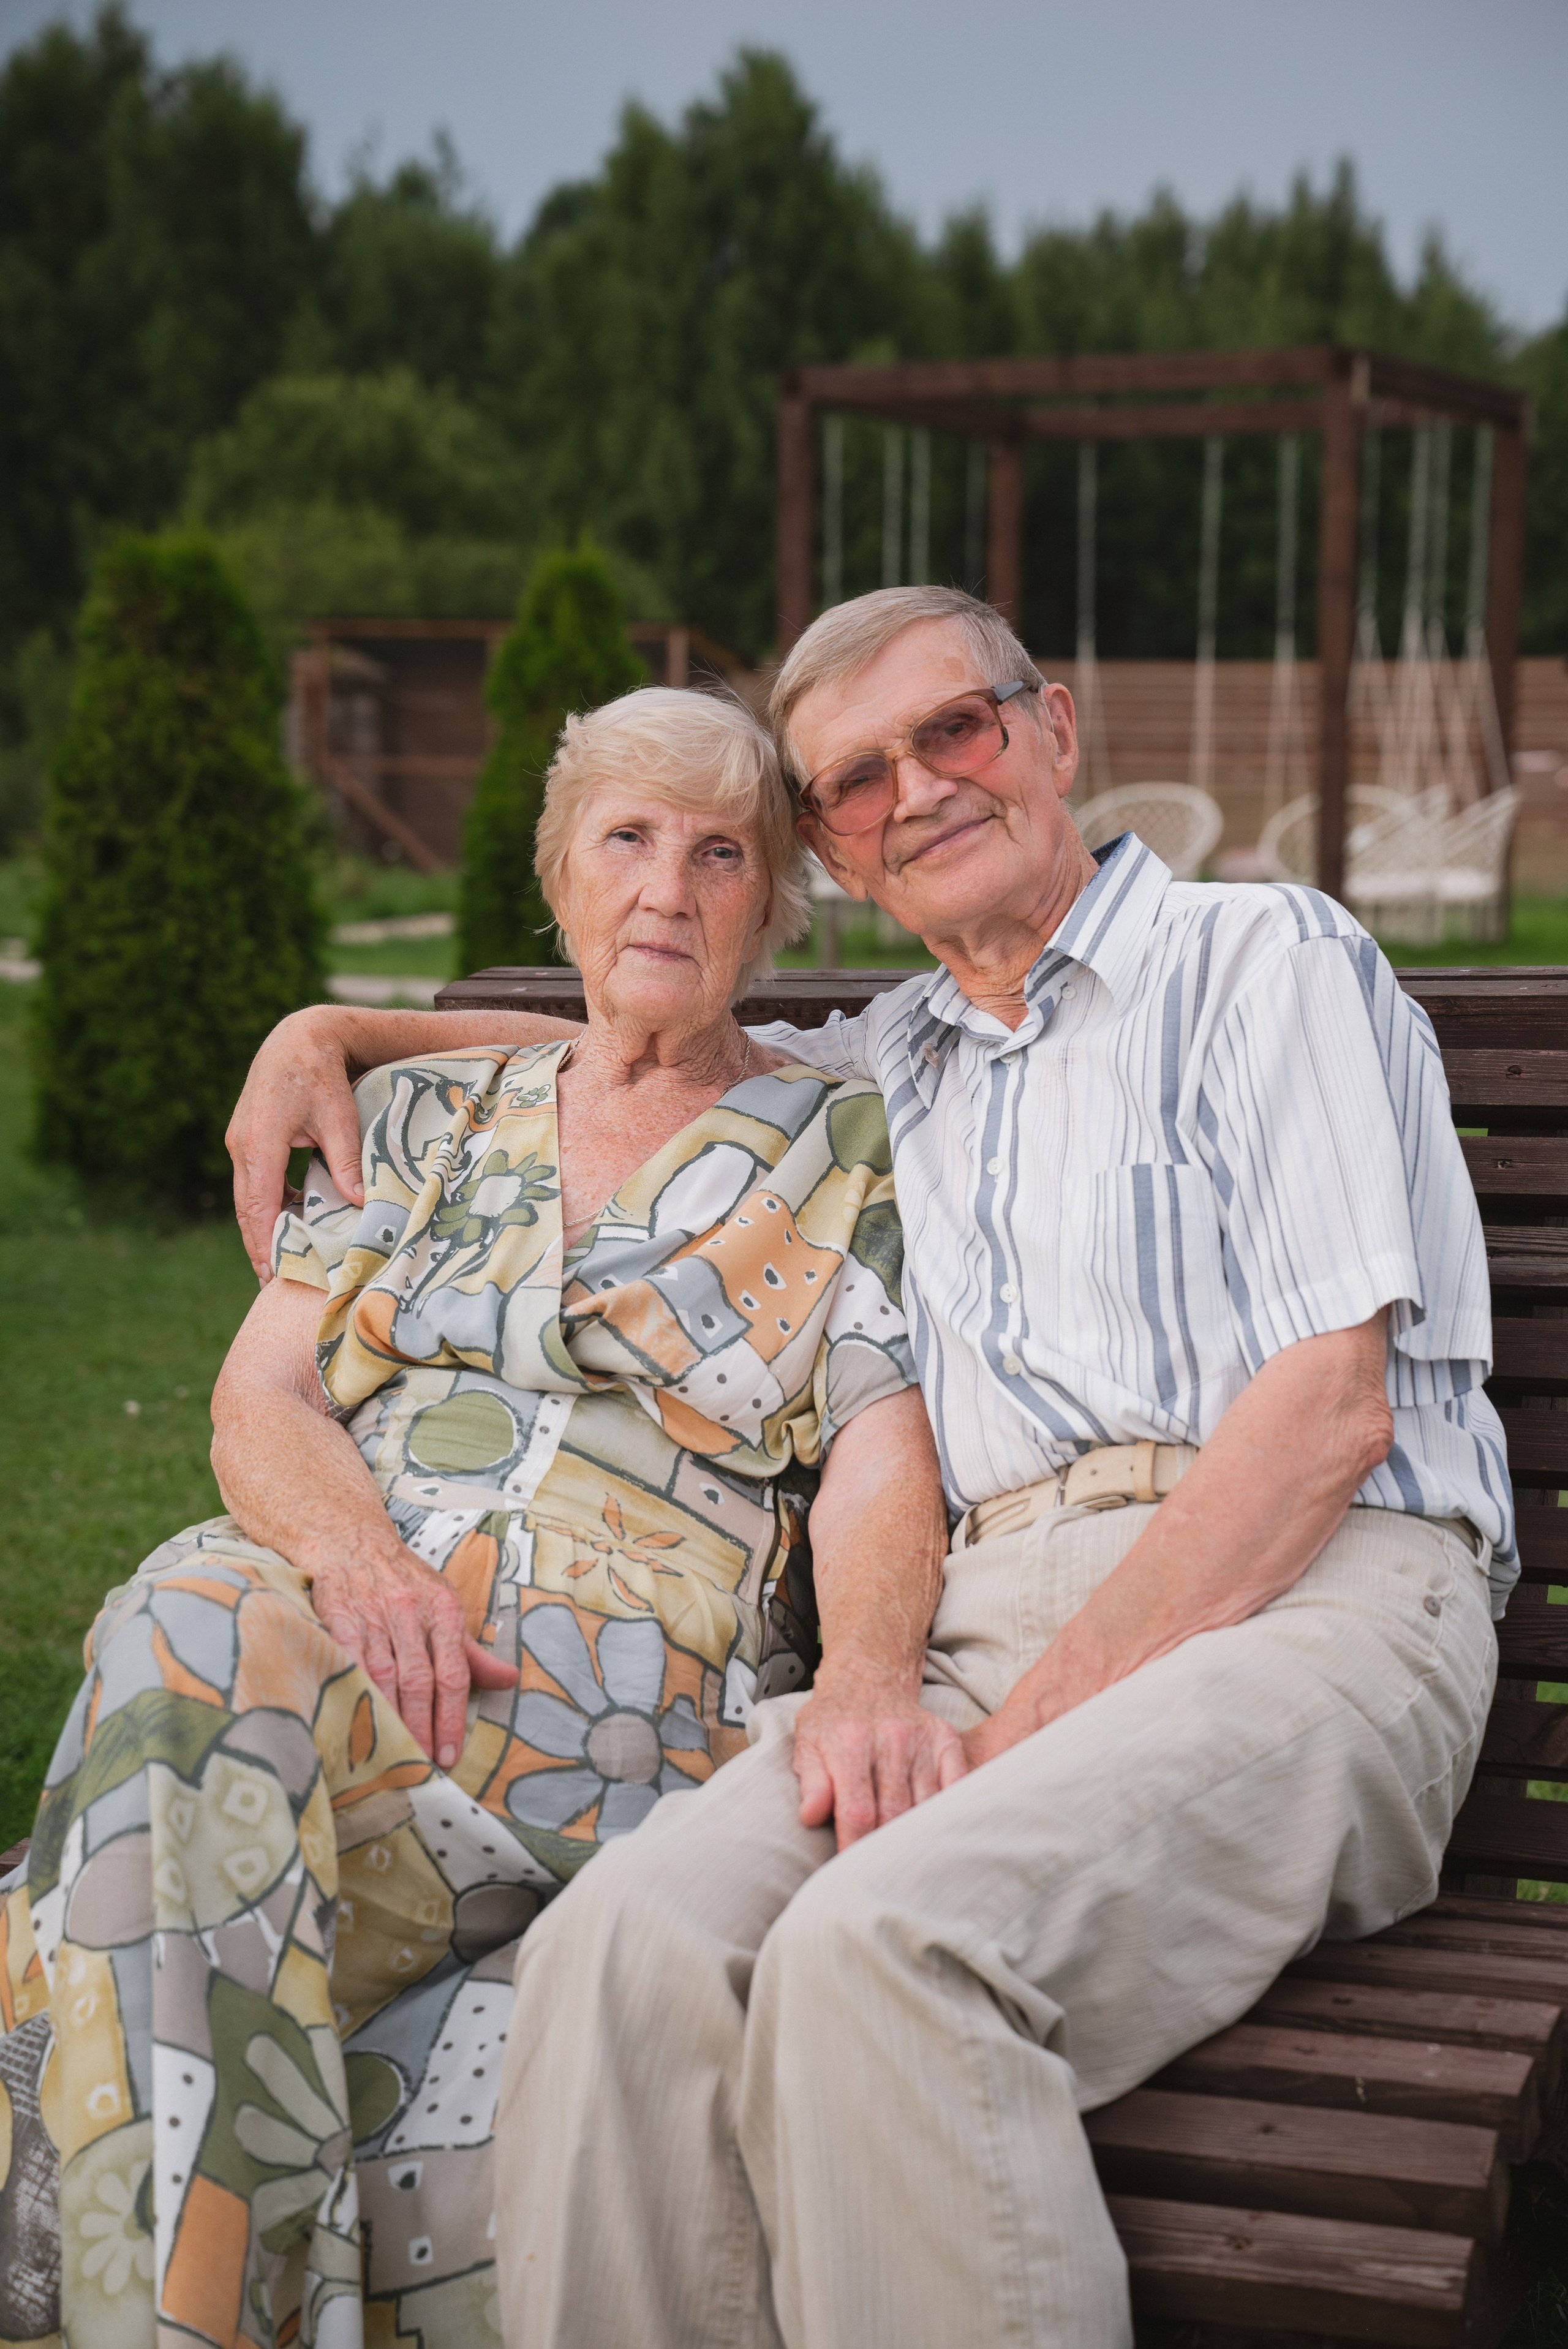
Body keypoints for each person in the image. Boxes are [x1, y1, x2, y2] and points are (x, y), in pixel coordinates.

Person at [224, 587, 1510, 2348]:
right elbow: (646, 1044)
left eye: (955, 732)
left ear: (1052, 729)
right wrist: (336, 1031)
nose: (915, 789)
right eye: (851, 780)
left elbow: (1324, 1421)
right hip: (989, 1626)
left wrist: (1000, 1727)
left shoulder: (1256, 957)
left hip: (1312, 1589)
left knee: (878, 1949)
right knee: (626, 1951)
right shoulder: (890, 1064)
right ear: (832, 843)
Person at [0, 686, 954, 2349]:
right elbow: (262, 1397)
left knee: (137, 1851)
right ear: (560, 876)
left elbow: (880, 1446)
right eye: (628, 840)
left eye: (722, 852)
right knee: (193, 1614)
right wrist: (360, 1555)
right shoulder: (431, 1124)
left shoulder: (845, 1142)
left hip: (600, 1731)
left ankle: (68, 2050)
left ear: (774, 901)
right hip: (325, 1654)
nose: (667, 888)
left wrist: (872, 1662)